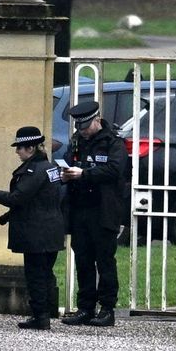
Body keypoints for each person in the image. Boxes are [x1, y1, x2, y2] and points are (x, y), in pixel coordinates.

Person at [0, 126, 65, 330]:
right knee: (45, 273)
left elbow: (19, 198)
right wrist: (7, 217)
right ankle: (44, 314)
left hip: (36, 232)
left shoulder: (34, 170)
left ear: (30, 148)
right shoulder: (51, 167)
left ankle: (40, 317)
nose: (17, 152)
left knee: (36, 275)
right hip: (51, 229)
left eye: (19, 148)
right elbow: (38, 200)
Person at [59, 100, 128, 327]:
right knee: (83, 260)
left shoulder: (113, 143)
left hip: (104, 210)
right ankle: (85, 307)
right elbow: (70, 161)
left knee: (105, 261)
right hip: (80, 210)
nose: (82, 131)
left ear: (97, 120)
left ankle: (107, 309)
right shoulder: (79, 140)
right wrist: (66, 173)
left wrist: (84, 174)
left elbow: (114, 170)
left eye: (86, 126)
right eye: (79, 127)